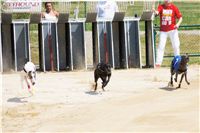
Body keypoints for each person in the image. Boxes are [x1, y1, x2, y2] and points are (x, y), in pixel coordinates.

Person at [152, 0, 182, 67]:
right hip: (163, 31)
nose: (167, 1)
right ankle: (158, 63)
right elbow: (157, 13)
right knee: (161, 46)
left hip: (173, 30)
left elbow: (180, 17)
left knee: (176, 45)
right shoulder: (161, 7)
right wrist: (153, 8)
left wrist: (177, 24)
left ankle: (178, 61)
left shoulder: (174, 7)